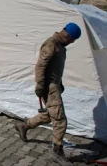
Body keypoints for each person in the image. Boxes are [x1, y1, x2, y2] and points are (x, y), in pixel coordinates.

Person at [14, 23, 82, 166]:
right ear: (68, 35)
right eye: (73, 39)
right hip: (49, 88)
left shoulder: (60, 46)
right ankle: (57, 152)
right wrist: (39, 85)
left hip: (54, 86)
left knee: (50, 115)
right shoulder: (51, 44)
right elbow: (40, 66)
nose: (72, 42)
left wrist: (60, 83)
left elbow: (55, 67)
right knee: (59, 119)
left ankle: (24, 126)